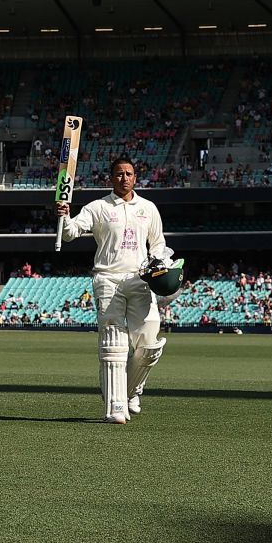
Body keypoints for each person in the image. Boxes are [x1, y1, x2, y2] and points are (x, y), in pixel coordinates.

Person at [55, 155, 172, 423]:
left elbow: (157, 244)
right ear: (111, 178)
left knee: (150, 342)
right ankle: (115, 407)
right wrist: (65, 216)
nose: (124, 178)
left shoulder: (148, 208)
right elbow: (72, 232)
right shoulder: (98, 207)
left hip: (141, 279)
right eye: (119, 174)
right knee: (114, 344)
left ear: (135, 177)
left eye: (129, 174)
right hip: (108, 279)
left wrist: (160, 266)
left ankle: (131, 391)